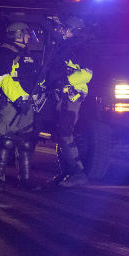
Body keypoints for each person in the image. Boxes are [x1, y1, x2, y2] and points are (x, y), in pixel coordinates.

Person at [40, 16, 93, 188]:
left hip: (71, 97)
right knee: (59, 133)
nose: (62, 31)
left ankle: (77, 173)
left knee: (64, 132)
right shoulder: (64, 46)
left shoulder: (80, 48)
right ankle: (66, 172)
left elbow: (86, 74)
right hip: (59, 96)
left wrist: (64, 81)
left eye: (66, 28)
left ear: (74, 31)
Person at [0, 22, 43, 190]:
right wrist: (19, 99)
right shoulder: (5, 53)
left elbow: (34, 78)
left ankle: (25, 179)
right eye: (27, 34)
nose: (29, 37)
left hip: (28, 104)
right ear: (18, 34)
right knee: (6, 140)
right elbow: (3, 79)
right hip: (10, 104)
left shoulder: (28, 53)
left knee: (26, 142)